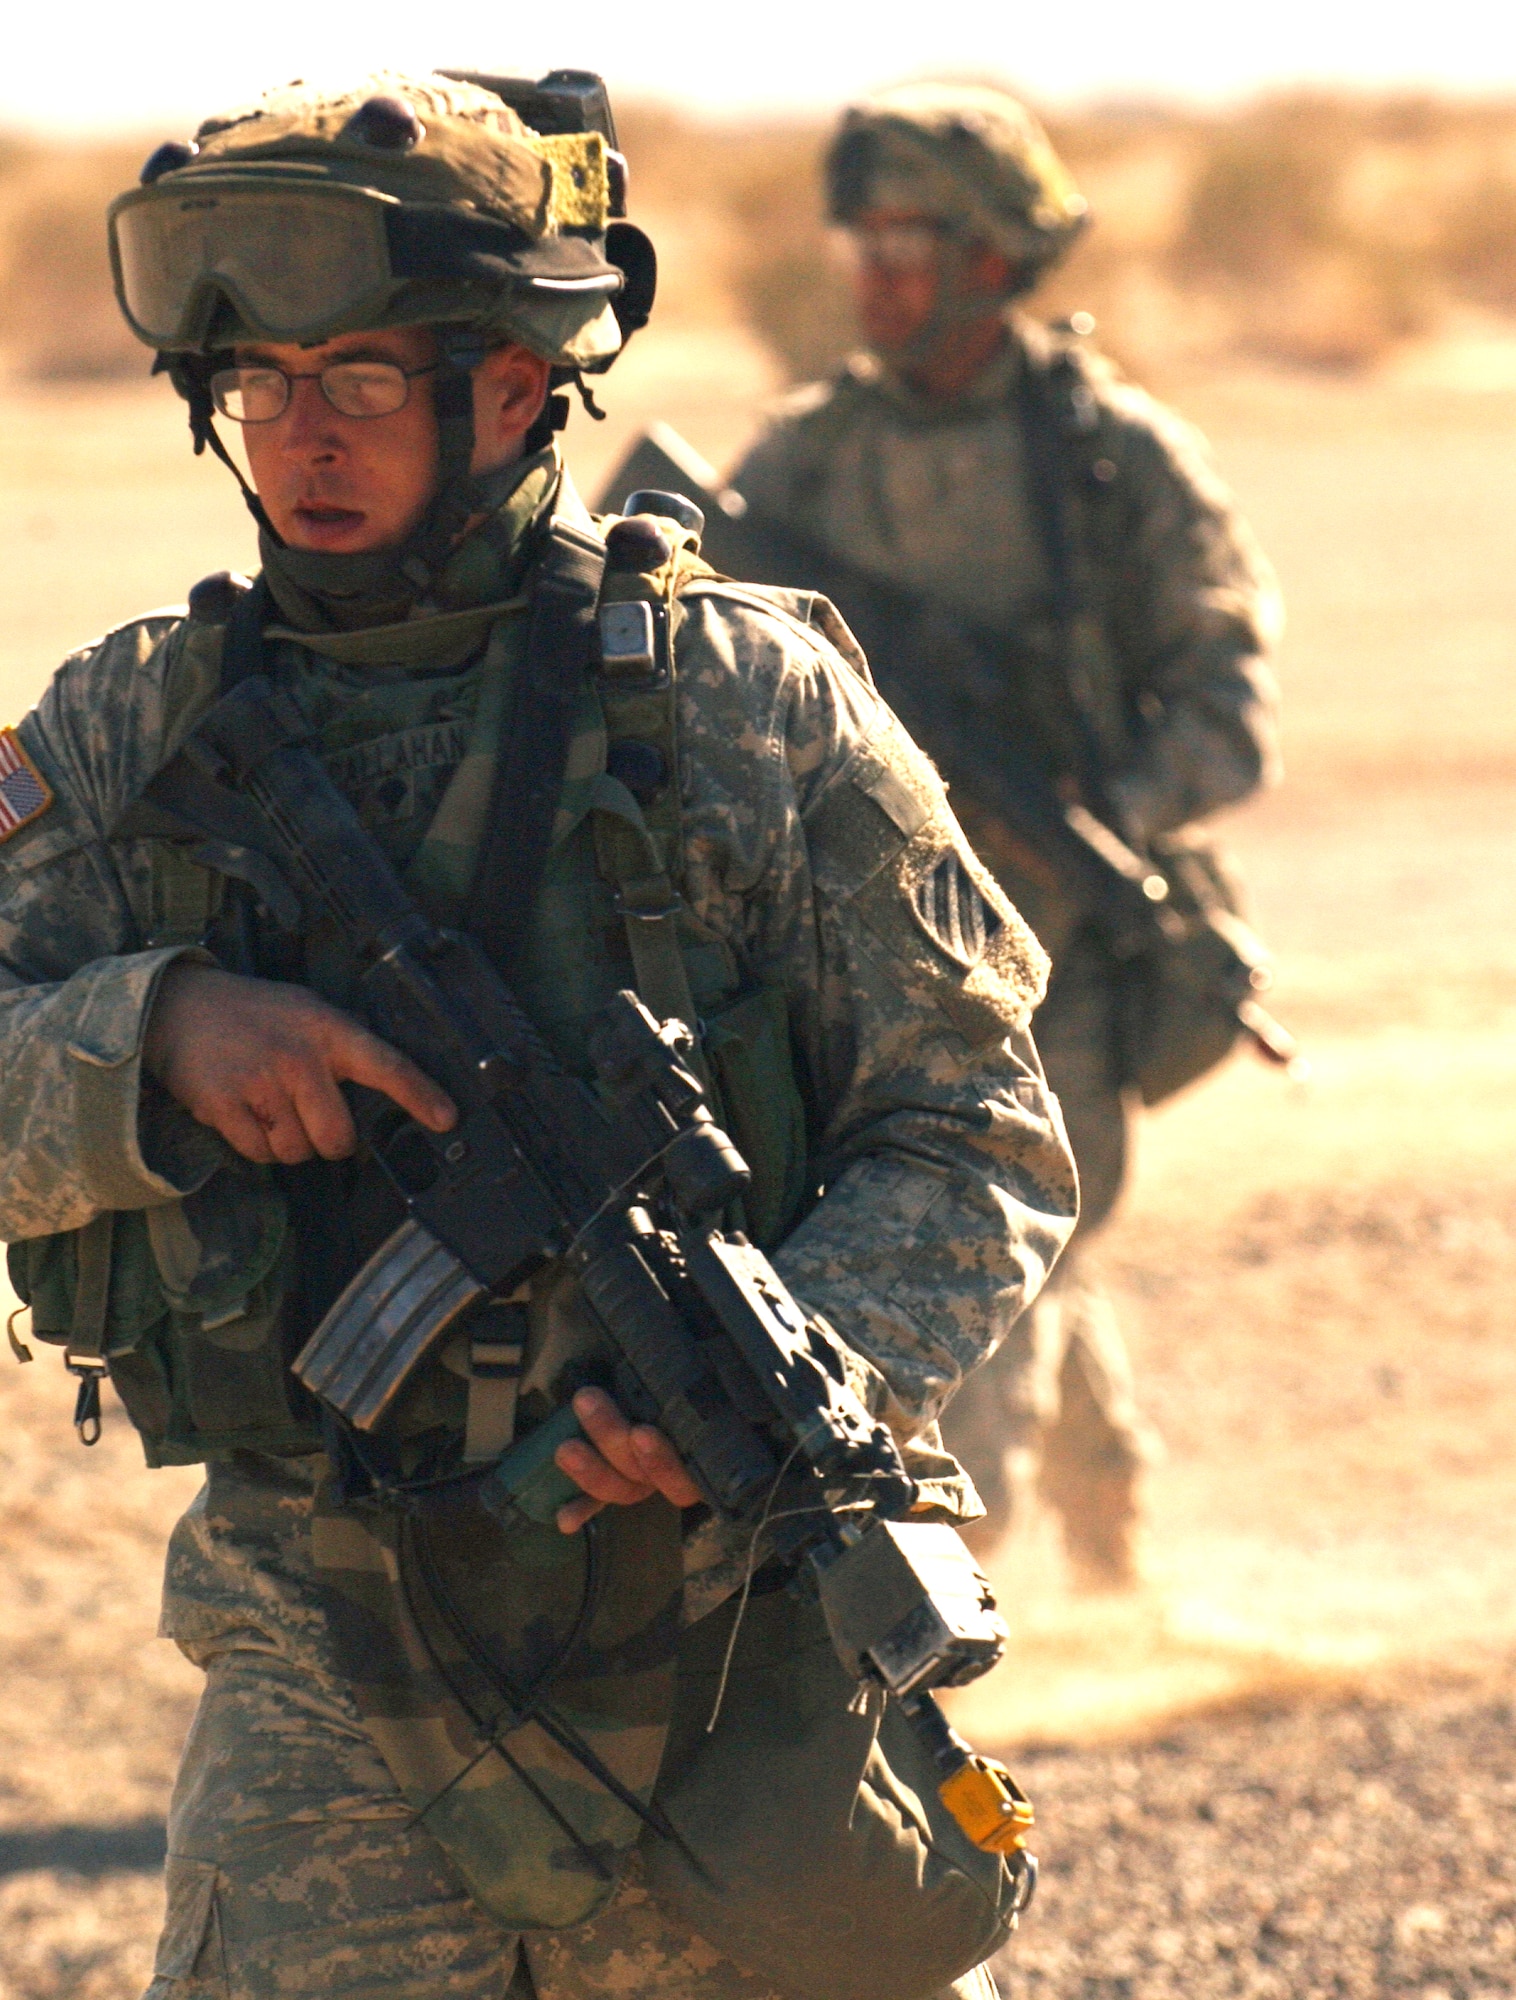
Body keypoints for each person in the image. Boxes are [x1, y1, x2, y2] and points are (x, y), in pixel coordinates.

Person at [0, 70, 1077, 2000]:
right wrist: (152, 1032)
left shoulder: (743, 712)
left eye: (356, 380)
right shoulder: (127, 736)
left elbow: (978, 1136)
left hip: (732, 1640)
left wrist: (756, 1389)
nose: (299, 439)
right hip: (324, 1650)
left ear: (509, 387)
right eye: (263, 387)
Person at [731, 83, 1284, 1590]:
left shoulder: (1114, 466)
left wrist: (1089, 816)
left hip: (1063, 954)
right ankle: (1118, 1576)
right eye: (860, 238)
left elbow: (1232, 705)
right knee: (1024, 1246)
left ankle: (975, 1618)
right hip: (855, 948)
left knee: (1000, 1245)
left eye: (908, 237)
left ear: (993, 255)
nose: (874, 271)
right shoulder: (801, 466)